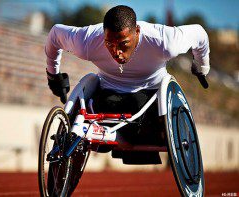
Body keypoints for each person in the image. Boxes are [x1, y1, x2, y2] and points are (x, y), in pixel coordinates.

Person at [45, 5, 210, 148]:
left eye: (123, 44)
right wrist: (53, 76)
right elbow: (55, 35)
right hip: (108, 93)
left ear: (137, 31)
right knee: (98, 103)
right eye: (109, 44)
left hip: (151, 94)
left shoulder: (164, 41)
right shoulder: (87, 41)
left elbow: (200, 34)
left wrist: (202, 67)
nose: (116, 52)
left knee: (138, 109)